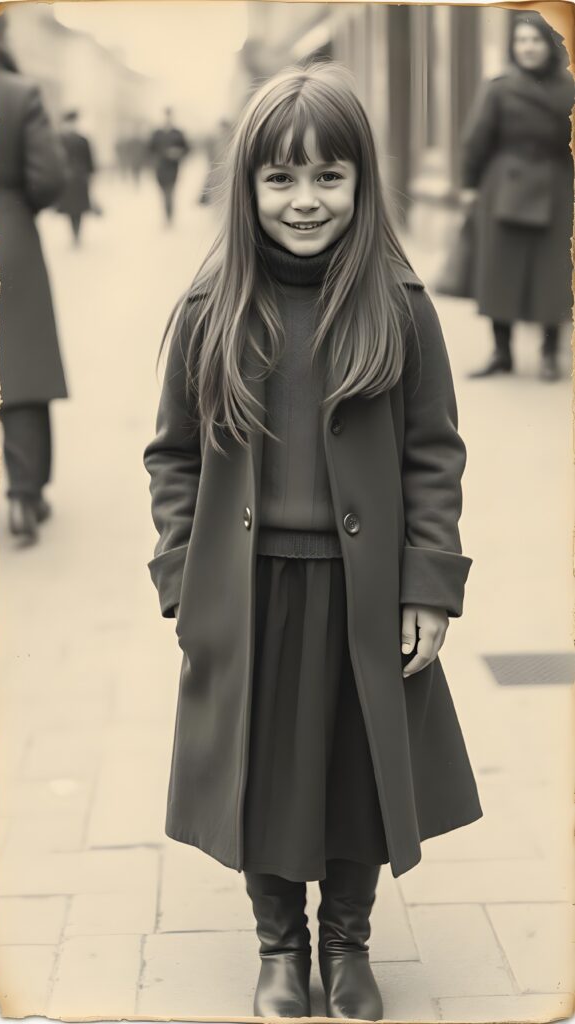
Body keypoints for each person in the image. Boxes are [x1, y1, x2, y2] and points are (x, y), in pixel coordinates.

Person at [143, 61, 482, 1020]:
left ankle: (348, 946)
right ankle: (279, 948)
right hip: (248, 590)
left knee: (354, 774)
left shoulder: (399, 305)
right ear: (246, 185)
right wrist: (181, 580)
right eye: (280, 178)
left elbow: (433, 454)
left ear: (362, 184)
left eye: (328, 177)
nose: (304, 200)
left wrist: (427, 585)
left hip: (361, 591)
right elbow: (171, 456)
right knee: (264, 776)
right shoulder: (212, 311)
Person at [461, 11, 574, 381]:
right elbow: (476, 140)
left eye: (535, 40)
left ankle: (549, 355)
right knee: (500, 272)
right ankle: (501, 352)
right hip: (503, 187)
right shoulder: (499, 86)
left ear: (550, 44)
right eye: (521, 40)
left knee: (553, 274)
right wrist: (469, 185)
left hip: (557, 188)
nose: (527, 48)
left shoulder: (568, 87)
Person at [0, 14, 69, 545]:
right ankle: (24, 495)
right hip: (7, 232)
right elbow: (50, 178)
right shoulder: (18, 94)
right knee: (18, 369)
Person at [56, 110, 97, 246]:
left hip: (73, 179)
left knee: (75, 208)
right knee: (74, 208)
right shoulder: (76, 140)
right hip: (74, 179)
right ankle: (75, 235)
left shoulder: (62, 139)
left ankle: (76, 235)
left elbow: (89, 160)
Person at [148, 107, 190, 224]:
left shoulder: (178, 133)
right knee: (163, 193)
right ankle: (167, 213)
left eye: (169, 115)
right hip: (160, 168)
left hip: (173, 168)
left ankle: (169, 216)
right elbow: (149, 150)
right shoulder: (157, 133)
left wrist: (178, 152)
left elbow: (187, 149)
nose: (167, 118)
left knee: (170, 192)